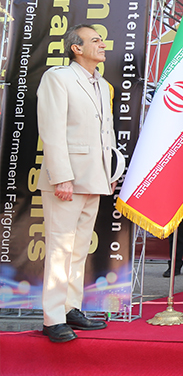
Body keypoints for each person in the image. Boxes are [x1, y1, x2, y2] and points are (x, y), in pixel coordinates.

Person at [36, 24, 116, 342]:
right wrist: (62, 177)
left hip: (94, 178)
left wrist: (109, 173)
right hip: (66, 180)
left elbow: (105, 134)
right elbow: (52, 129)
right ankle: (53, 318)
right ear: (76, 48)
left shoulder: (103, 84)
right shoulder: (58, 78)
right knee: (60, 249)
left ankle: (71, 308)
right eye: (95, 40)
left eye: (101, 39)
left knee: (79, 249)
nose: (102, 44)